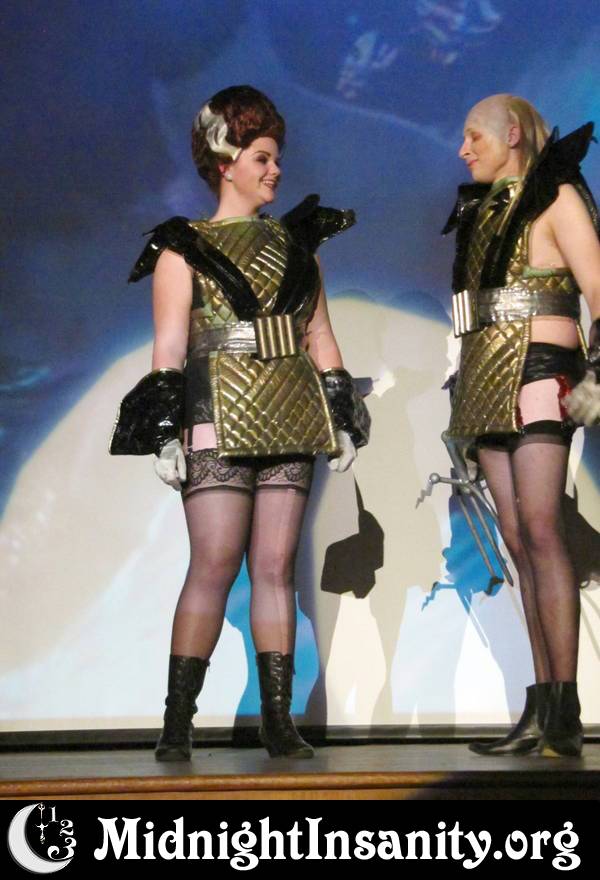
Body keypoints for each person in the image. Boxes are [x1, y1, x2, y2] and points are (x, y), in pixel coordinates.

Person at [110, 85, 369, 761]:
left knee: (276, 568)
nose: (275, 169)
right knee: (215, 563)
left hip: (290, 412)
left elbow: (321, 337)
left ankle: (278, 720)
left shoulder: (299, 247)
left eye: (276, 157)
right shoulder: (182, 250)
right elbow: (170, 349)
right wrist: (163, 435)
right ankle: (177, 722)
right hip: (214, 416)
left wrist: (342, 417)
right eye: (262, 157)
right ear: (225, 161)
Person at [443, 94, 600, 757]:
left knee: (540, 526)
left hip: (541, 371)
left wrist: (598, 375)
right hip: (486, 378)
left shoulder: (556, 197)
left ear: (512, 133)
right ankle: (541, 705)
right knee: (515, 539)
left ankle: (564, 708)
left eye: (473, 136)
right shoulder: (480, 213)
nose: (463, 150)